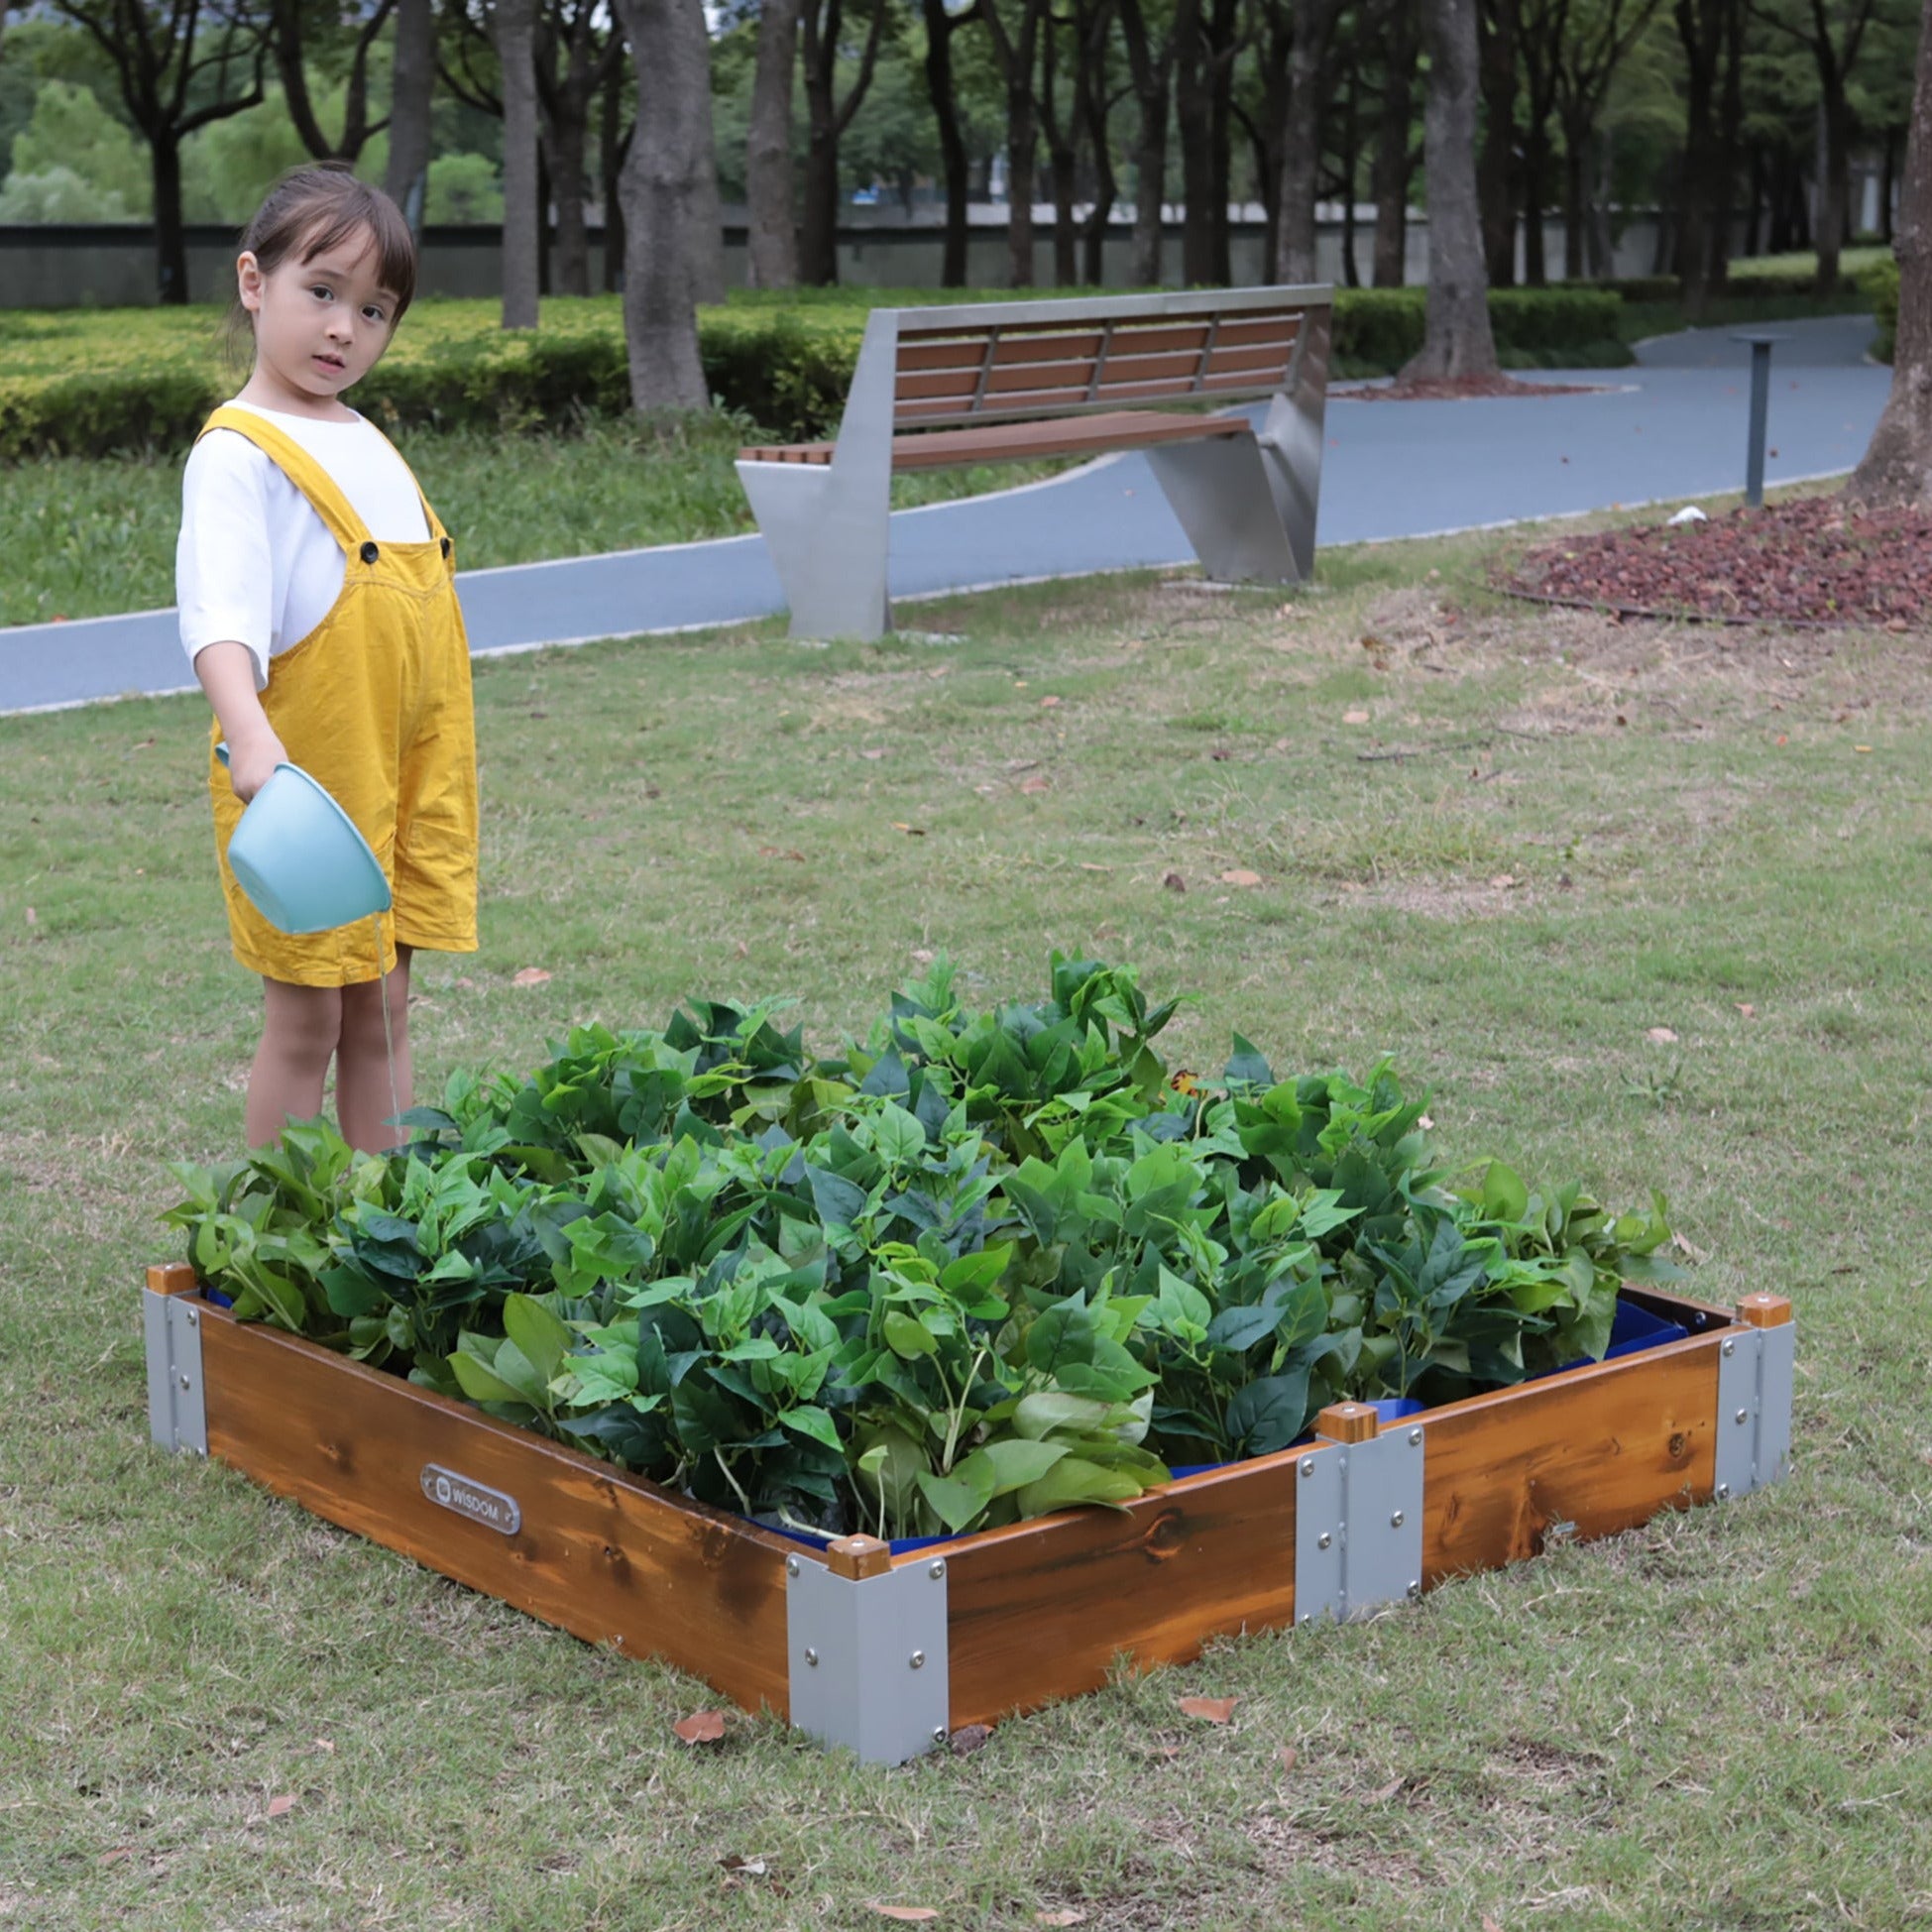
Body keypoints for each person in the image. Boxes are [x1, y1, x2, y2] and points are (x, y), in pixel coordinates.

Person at [178, 165, 478, 1154]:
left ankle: (388, 1231)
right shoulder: (239, 450)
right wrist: (255, 743)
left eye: (374, 308)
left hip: (398, 781)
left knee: (385, 1010)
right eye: (322, 292)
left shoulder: (368, 441)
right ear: (254, 282)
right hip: (302, 779)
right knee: (307, 1017)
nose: (345, 327)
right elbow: (219, 618)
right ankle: (275, 1242)